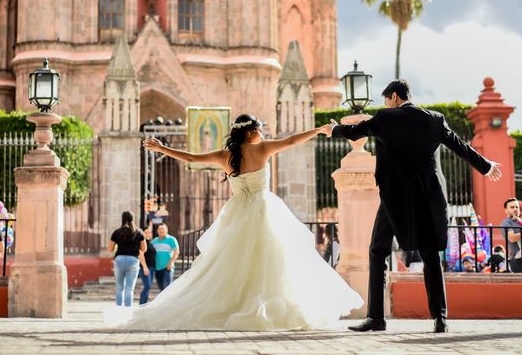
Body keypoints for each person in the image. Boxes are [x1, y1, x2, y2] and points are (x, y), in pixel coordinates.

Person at [120, 114, 363, 331]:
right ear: (250, 132)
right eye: (259, 130)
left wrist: (163, 149)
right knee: (272, 259)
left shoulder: (224, 156)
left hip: (237, 214)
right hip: (263, 210)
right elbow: (290, 141)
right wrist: (318, 130)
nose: (263, 134)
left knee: (231, 263)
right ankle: (259, 304)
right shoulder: (263, 149)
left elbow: (191, 158)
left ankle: (234, 303)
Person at [325, 79, 501, 333]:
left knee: (377, 251)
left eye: (386, 99)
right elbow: (460, 147)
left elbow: (355, 131)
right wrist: (486, 166)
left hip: (394, 196)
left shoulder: (386, 118)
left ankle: (376, 318)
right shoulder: (435, 119)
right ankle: (440, 318)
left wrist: (334, 129)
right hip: (427, 196)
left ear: (394, 97)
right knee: (430, 255)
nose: (385, 104)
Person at [109, 211, 146, 308]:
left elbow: (110, 249)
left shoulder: (116, 232)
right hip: (133, 260)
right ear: (133, 219)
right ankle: (127, 311)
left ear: (122, 219)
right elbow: (144, 249)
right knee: (129, 288)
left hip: (119, 260)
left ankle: (119, 310)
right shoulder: (139, 232)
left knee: (120, 287)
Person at [151, 223, 179, 291]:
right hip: (157, 268)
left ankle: (169, 302)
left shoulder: (172, 239)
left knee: (166, 289)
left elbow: (176, 252)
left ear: (166, 230)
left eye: (162, 229)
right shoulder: (154, 241)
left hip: (168, 268)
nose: (160, 230)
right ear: (157, 230)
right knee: (161, 289)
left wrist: (171, 263)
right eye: (159, 229)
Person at [138, 226, 156, 305]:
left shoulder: (151, 243)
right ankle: (141, 304)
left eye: (149, 232)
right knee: (147, 286)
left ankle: (144, 304)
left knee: (148, 287)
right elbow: (140, 255)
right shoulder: (142, 243)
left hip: (152, 268)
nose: (148, 234)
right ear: (143, 234)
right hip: (145, 268)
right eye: (146, 232)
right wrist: (145, 267)